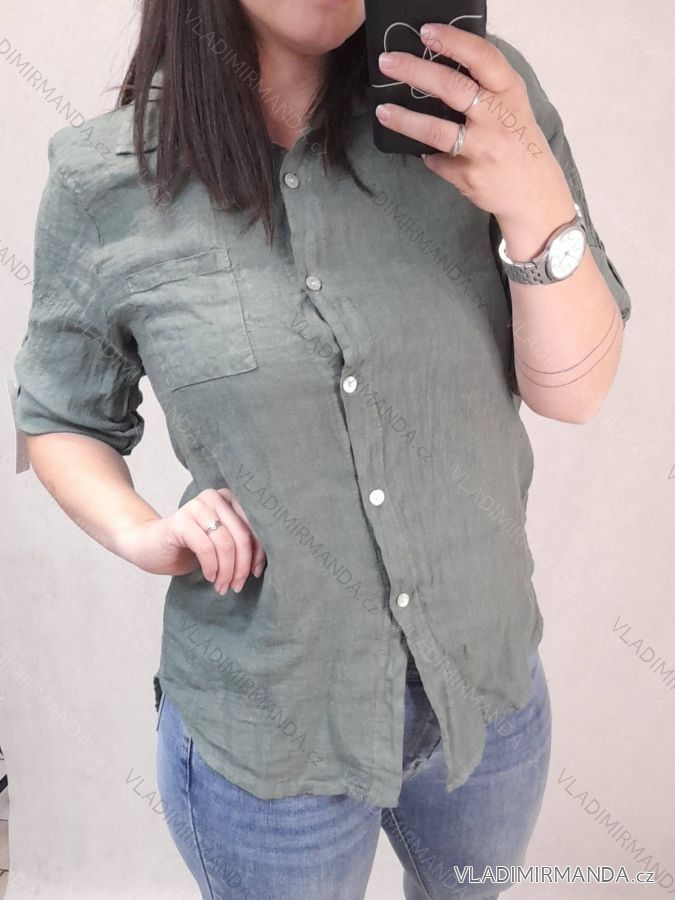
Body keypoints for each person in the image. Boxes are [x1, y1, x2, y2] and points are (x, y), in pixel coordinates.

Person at [13, 1, 631, 897]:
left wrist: (536, 201)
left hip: (486, 694)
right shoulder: (104, 181)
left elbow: (575, 394)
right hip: (273, 726)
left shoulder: (477, 106)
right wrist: (142, 533)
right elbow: (59, 416)